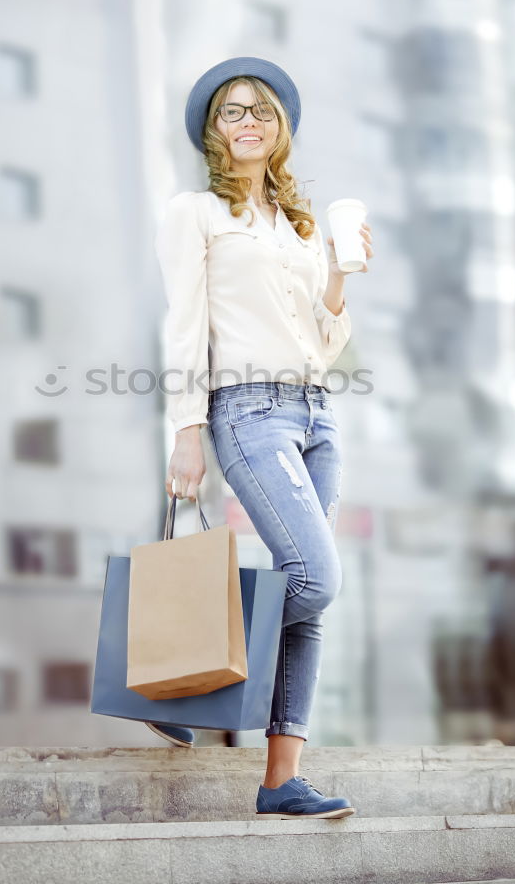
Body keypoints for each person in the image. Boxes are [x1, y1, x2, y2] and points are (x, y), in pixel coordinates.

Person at [151, 56, 374, 819]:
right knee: (316, 577)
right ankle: (181, 671)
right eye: (232, 111)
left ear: (281, 129)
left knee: (307, 600)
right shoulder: (197, 213)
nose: (249, 121)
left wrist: (342, 276)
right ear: (215, 131)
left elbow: (326, 341)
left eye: (263, 111)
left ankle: (281, 780)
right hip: (247, 410)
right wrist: (184, 429)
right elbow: (182, 325)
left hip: (318, 414)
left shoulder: (299, 225)